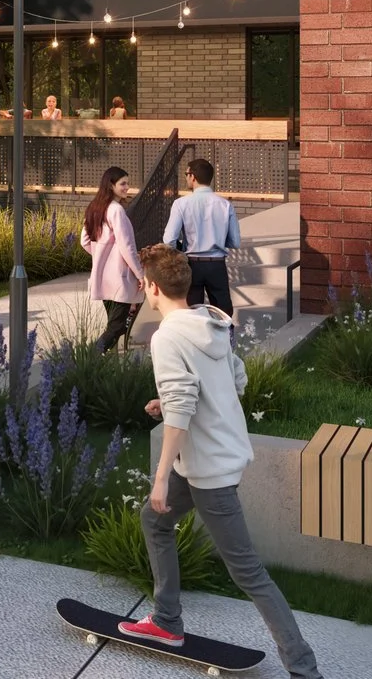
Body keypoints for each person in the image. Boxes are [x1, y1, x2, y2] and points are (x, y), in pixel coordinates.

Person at [120, 245, 321, 676]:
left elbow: (183, 405)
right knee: (154, 522)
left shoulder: (168, 336)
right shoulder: (208, 322)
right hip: (209, 458)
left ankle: (304, 669)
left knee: (248, 572)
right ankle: (167, 621)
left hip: (208, 470)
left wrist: (159, 477)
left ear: (153, 288)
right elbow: (235, 378)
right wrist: (170, 401)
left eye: (143, 284)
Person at [160, 159, 239, 314]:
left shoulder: (181, 204)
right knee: (223, 313)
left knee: (192, 313)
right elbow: (235, 242)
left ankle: (195, 338)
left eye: (186, 174)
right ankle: (226, 338)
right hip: (217, 264)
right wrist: (218, 239)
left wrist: (181, 249)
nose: (186, 178)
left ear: (193, 177)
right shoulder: (225, 204)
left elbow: (169, 240)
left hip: (192, 264)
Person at [82, 167, 144, 354]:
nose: (127, 188)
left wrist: (102, 257)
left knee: (115, 324)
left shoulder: (95, 208)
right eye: (123, 184)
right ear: (111, 185)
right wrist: (140, 274)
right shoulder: (116, 210)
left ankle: (106, 361)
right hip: (120, 278)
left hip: (103, 278)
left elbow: (84, 241)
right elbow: (127, 246)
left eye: (127, 183)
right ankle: (90, 358)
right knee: (117, 327)